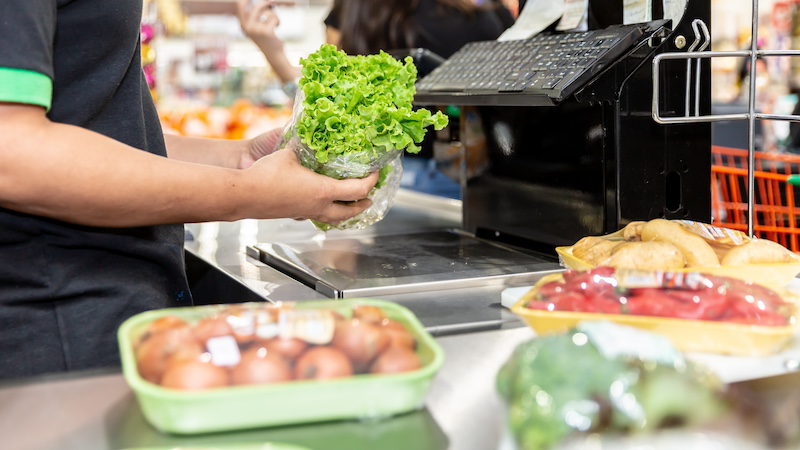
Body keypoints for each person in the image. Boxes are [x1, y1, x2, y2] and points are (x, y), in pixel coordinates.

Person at [0, 1, 378, 380]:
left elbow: (98, 129)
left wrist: (240, 158)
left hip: (102, 303)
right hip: (58, 323)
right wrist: (250, 193)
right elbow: (12, 153)